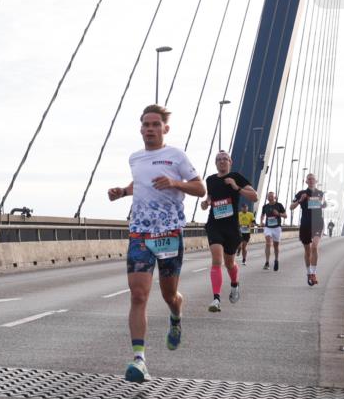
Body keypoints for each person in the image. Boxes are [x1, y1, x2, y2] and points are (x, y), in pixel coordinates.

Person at [108, 104, 204, 383]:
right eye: (145, 124)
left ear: (165, 128)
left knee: (168, 295)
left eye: (154, 124)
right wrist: (123, 192)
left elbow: (200, 189)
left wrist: (175, 182)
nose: (149, 129)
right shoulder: (135, 158)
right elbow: (140, 184)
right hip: (140, 232)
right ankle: (139, 359)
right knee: (138, 295)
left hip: (169, 233)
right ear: (141, 129)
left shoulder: (176, 156)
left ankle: (176, 315)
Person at [199, 151, 258, 312]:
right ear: (215, 163)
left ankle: (234, 284)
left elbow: (254, 196)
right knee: (217, 260)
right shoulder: (210, 180)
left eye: (225, 159)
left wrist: (236, 187)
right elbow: (211, 197)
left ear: (230, 162)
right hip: (214, 224)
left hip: (231, 227)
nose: (222, 162)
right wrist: (206, 203)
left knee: (229, 263)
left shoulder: (237, 177)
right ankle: (216, 299)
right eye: (219, 159)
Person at [291, 172, 327, 286]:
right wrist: (300, 200)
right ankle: (308, 273)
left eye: (313, 179)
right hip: (305, 224)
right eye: (309, 179)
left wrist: (323, 204)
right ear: (306, 181)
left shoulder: (320, 193)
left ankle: (313, 273)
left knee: (314, 247)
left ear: (316, 181)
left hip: (317, 222)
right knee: (307, 251)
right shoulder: (301, 193)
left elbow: (319, 205)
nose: (311, 180)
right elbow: (291, 207)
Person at [260, 192, 287, 271]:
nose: (270, 197)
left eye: (271, 196)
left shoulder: (279, 205)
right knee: (268, 243)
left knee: (276, 246)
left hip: (277, 228)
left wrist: (278, 214)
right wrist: (261, 221)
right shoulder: (265, 206)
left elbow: (285, 216)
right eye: (268, 196)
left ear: (275, 197)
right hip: (268, 227)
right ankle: (267, 262)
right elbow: (262, 215)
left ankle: (276, 260)